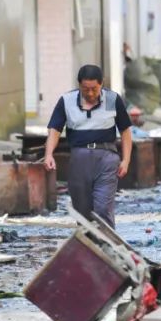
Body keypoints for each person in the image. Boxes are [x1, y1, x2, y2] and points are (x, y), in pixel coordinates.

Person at [43, 64, 133, 227]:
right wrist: (49, 154)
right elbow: (55, 129)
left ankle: (107, 246)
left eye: (94, 89)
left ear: (101, 84)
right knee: (82, 211)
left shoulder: (112, 99)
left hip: (107, 158)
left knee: (102, 208)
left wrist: (126, 160)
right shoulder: (67, 100)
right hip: (79, 159)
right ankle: (88, 246)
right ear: (79, 85)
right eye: (86, 89)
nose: (90, 93)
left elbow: (125, 131)